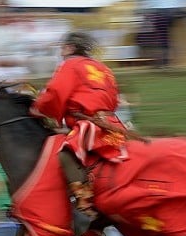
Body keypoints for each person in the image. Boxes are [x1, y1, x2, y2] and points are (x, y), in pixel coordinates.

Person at [30, 32, 129, 219]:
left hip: (91, 125)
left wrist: (38, 108)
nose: (61, 52)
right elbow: (114, 99)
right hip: (111, 124)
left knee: (66, 153)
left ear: (71, 48)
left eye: (63, 48)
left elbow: (56, 92)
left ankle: (84, 203)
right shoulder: (104, 69)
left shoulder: (70, 64)